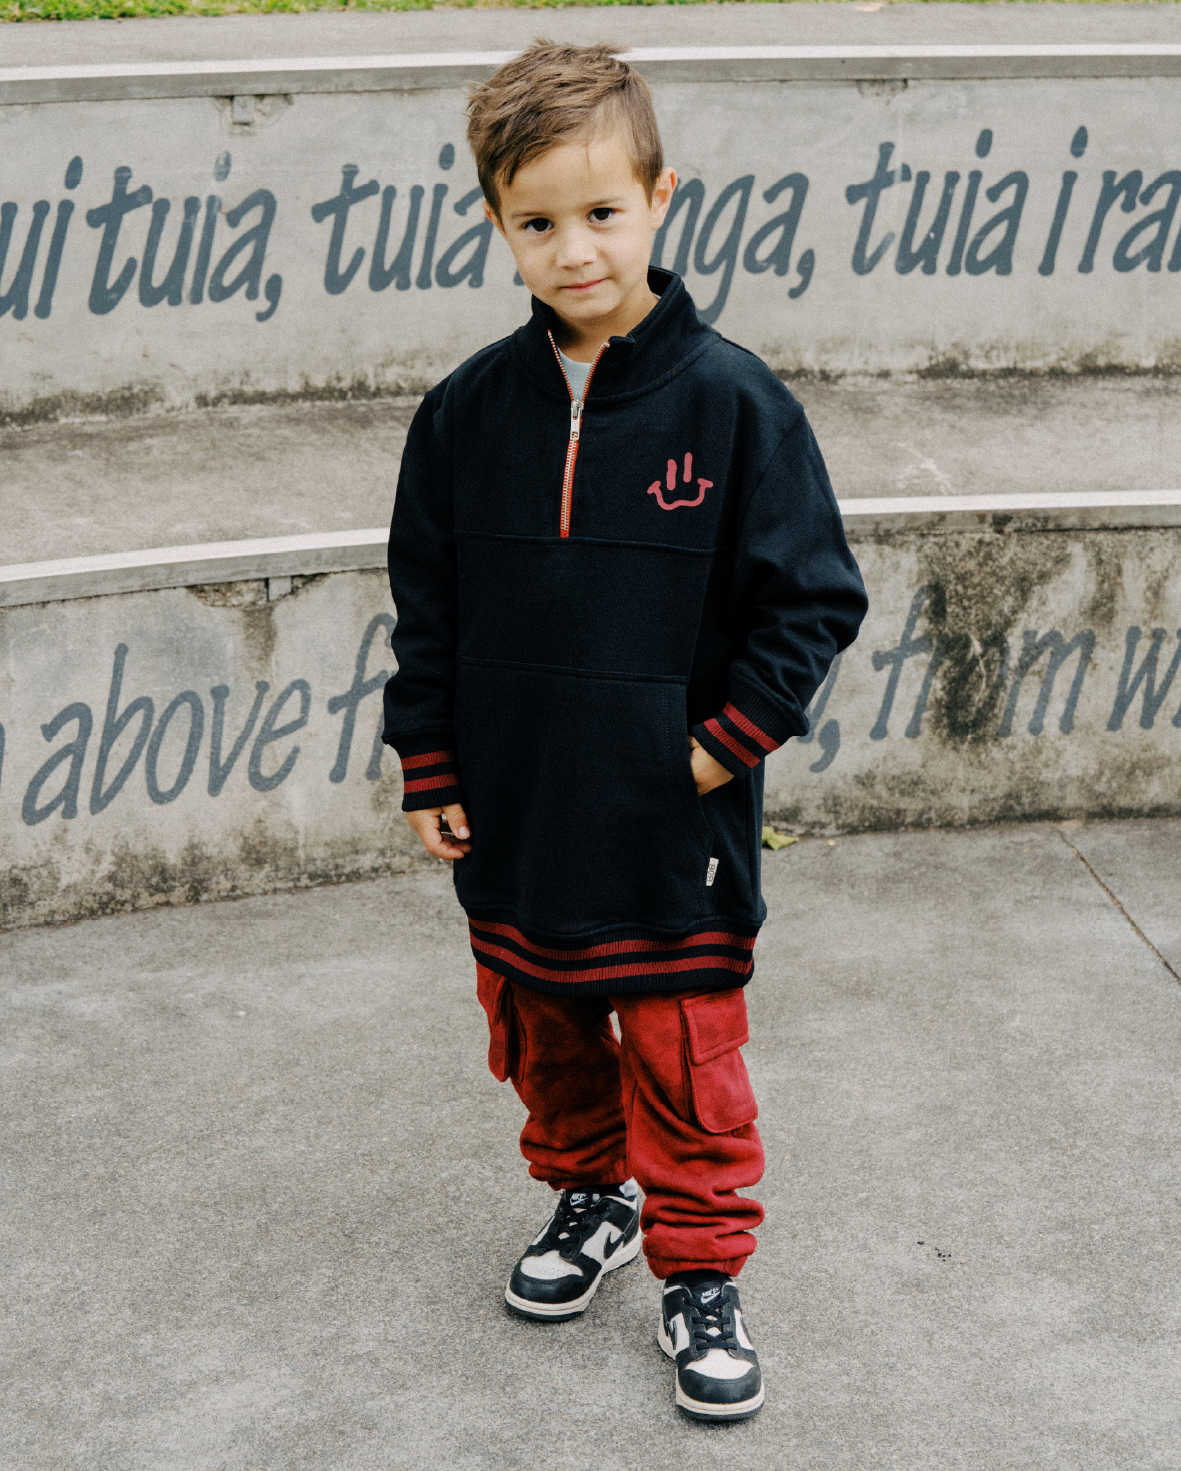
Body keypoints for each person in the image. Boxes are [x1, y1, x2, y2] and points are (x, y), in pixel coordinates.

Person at [383, 40, 867, 1423]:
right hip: (521, 817)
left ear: (660, 198)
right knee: (546, 1035)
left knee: (682, 1055)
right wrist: (430, 758)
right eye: (538, 222)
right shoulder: (465, 414)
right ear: (497, 224)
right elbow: (428, 603)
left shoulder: (736, 402)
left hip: (670, 831)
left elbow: (814, 599)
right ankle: (590, 1194)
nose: (575, 249)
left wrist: (711, 749)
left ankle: (700, 1268)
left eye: (602, 212)